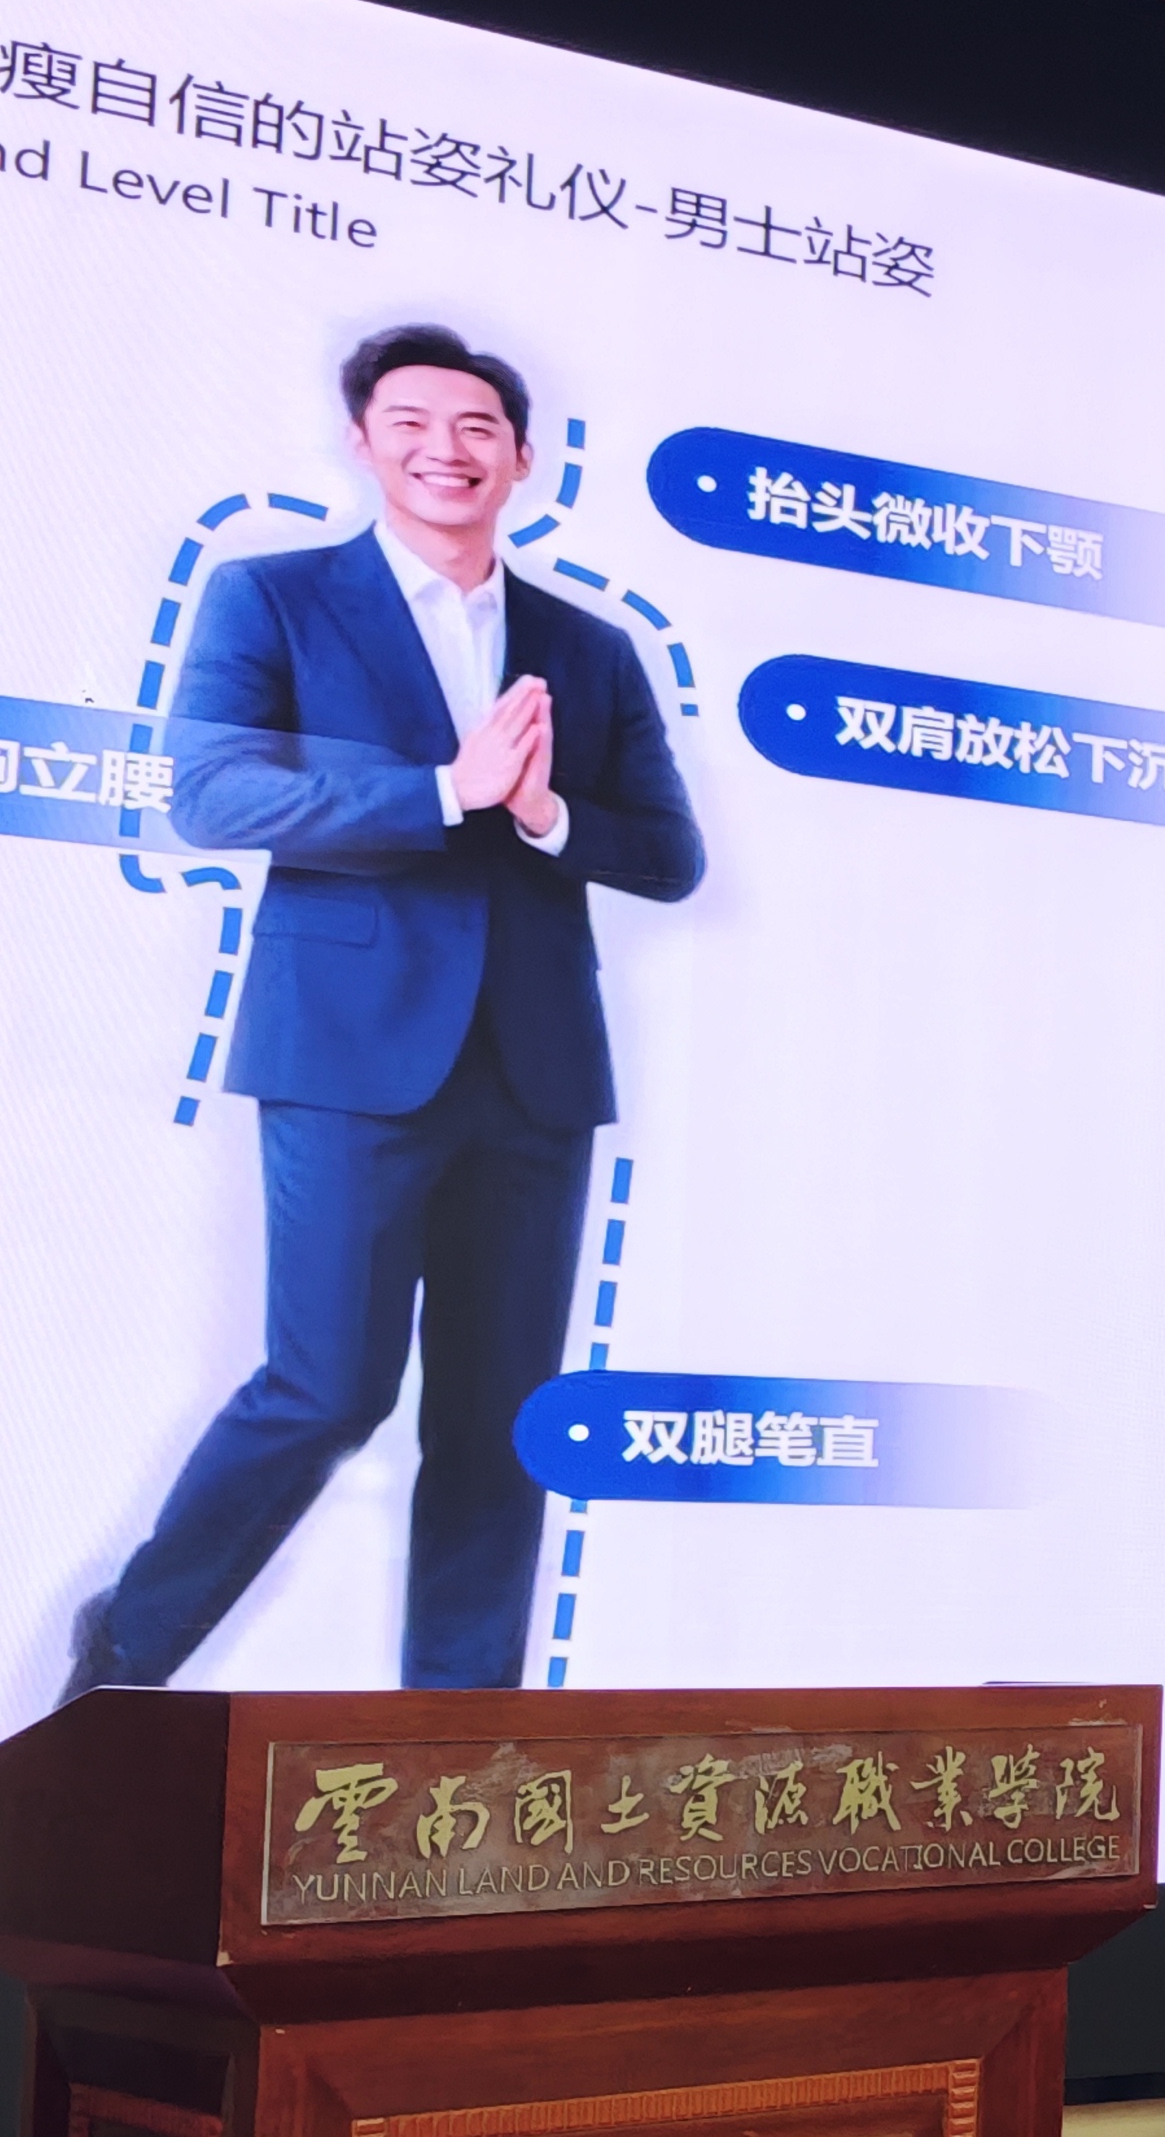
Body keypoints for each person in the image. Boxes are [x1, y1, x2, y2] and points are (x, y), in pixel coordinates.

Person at [65, 324, 703, 1701]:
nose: (444, 449)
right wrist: (439, 794)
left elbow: (669, 855)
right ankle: (125, 1655)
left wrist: (544, 812)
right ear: (363, 441)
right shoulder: (275, 598)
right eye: (410, 421)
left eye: (476, 428)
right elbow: (212, 795)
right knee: (327, 1390)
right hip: (346, 1056)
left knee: (498, 1421)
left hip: (535, 1071)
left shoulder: (589, 649)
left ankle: (461, 1739)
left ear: (523, 460)